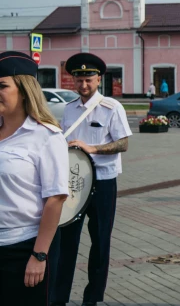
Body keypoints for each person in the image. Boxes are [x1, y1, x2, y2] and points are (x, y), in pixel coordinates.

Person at [51, 53, 132, 306]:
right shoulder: (69, 108)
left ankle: (92, 299)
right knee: (66, 243)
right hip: (73, 183)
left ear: (99, 79)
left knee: (100, 244)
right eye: (79, 80)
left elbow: (124, 143)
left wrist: (92, 149)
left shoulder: (111, 107)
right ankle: (58, 298)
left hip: (102, 183)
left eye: (88, 79)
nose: (83, 85)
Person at [0, 51, 69, 306]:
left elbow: (55, 199)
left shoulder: (46, 136)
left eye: (2, 86)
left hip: (24, 247)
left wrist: (39, 255)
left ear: (25, 89)